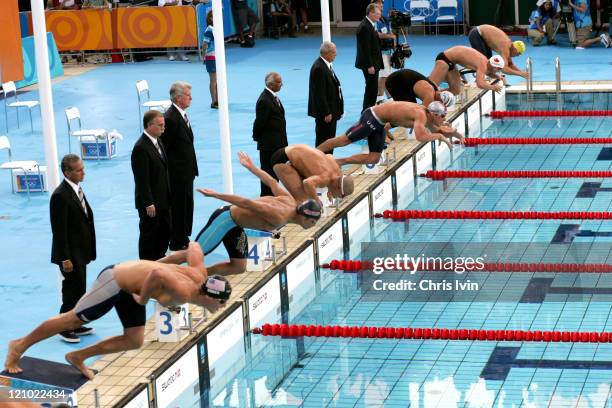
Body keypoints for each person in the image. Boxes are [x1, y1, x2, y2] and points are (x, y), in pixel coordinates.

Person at [4, 243, 227, 381]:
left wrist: (159, 264)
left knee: (134, 340)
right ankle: (19, 345)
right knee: (71, 320)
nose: (223, 307)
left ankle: (78, 356)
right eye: (222, 303)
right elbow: (158, 274)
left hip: (134, 285)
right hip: (115, 281)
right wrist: (143, 298)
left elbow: (194, 248)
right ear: (209, 296)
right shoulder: (185, 293)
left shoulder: (201, 274)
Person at [159, 152, 322, 275]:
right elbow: (247, 203)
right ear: (304, 217)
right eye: (313, 221)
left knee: (238, 266)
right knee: (191, 255)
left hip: (236, 226)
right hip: (225, 220)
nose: (314, 225)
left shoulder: (290, 202)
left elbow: (272, 182)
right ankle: (150, 268)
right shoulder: (279, 215)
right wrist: (216, 195)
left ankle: (198, 275)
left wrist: (251, 167)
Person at [317, 101, 463, 166]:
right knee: (344, 140)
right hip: (372, 116)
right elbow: (421, 137)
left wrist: (459, 136)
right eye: (443, 116)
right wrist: (440, 137)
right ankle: (314, 152)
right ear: (434, 114)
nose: (444, 118)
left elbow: (440, 130)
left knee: (374, 159)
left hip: (380, 124)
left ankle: (340, 162)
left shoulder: (429, 117)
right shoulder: (422, 115)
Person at [50, 155, 96, 344]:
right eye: (78, 170)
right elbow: (59, 231)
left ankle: (75, 322)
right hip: (70, 255)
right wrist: (65, 258)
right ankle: (64, 326)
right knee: (71, 292)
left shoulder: (77, 189)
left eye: (82, 168)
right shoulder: (60, 196)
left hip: (81, 251)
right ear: (67, 173)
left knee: (80, 290)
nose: (83, 172)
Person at [161, 82, 198, 251]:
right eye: (188, 95)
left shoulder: (181, 115)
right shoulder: (170, 118)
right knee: (178, 207)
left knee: (186, 205)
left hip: (186, 171)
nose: (191, 98)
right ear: (178, 98)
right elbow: (164, 149)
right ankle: (177, 239)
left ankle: (183, 235)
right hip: (177, 173)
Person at [131, 110, 172, 261]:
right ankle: (146, 265)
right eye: (160, 125)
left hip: (163, 199)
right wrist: (148, 203)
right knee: (149, 236)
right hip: (151, 204)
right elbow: (142, 180)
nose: (163, 128)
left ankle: (159, 260)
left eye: (164, 125)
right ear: (149, 125)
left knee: (164, 232)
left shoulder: (157, 141)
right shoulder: (141, 148)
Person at [271, 144, 354, 203]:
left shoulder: (336, 171)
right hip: (283, 159)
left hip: (292, 150)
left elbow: (329, 156)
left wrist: (330, 189)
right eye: (342, 195)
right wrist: (316, 200)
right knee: (304, 201)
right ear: (338, 187)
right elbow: (308, 183)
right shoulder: (326, 177)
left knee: (307, 195)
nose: (341, 197)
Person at [253, 72, 289, 197]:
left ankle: (273, 196)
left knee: (274, 173)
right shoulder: (264, 100)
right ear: (271, 84)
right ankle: (267, 197)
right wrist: (258, 138)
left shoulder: (272, 97)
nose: (282, 84)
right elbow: (259, 123)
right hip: (269, 145)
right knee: (268, 173)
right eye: (279, 82)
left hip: (276, 143)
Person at [308, 41, 344, 151]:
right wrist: (326, 112)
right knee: (324, 140)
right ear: (327, 53)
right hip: (326, 115)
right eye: (334, 52)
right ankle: (320, 164)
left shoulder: (325, 65)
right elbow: (319, 94)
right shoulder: (319, 68)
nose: (336, 55)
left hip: (331, 111)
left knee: (329, 140)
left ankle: (326, 162)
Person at [429, 46, 505, 95]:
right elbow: (480, 84)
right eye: (498, 70)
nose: (497, 71)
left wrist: (498, 77)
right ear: (494, 66)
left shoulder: (486, 63)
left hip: (451, 63)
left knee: (455, 90)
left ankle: (437, 95)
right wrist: (493, 87)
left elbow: (488, 72)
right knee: (430, 89)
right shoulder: (483, 65)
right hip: (444, 59)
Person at [355, 3, 383, 111]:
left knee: (372, 88)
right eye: (377, 14)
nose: (379, 16)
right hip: (370, 64)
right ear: (370, 13)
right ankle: (367, 111)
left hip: (373, 62)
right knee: (371, 88)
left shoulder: (369, 24)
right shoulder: (365, 27)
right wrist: (370, 65)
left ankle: (369, 109)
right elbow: (365, 49)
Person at [385, 68, 456, 107]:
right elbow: (421, 115)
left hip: (403, 79)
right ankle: (384, 124)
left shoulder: (435, 88)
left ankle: (388, 107)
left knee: (411, 106)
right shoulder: (429, 96)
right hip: (394, 82)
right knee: (409, 113)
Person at [372, 0, 396, 104]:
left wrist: (394, 44)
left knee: (387, 75)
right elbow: (377, 34)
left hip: (388, 50)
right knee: (383, 76)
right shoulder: (373, 20)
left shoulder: (384, 18)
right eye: (378, 3)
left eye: (382, 3)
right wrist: (389, 36)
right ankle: (379, 99)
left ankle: (389, 97)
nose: (381, 5)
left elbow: (391, 32)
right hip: (380, 52)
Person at [202, 10, 218, 108]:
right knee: (213, 80)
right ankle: (214, 102)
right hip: (211, 57)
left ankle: (219, 99)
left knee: (218, 80)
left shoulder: (216, 29)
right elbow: (204, 44)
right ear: (211, 18)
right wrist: (205, 56)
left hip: (217, 57)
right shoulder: (209, 30)